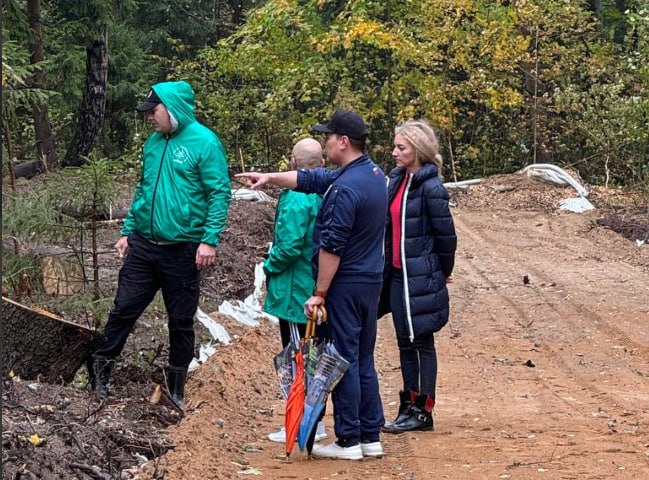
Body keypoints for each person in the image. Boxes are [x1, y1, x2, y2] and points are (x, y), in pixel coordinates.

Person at [238, 109, 387, 461]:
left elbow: (332, 247)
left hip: (346, 285)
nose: (325, 143)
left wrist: (319, 293)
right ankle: (370, 434)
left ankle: (348, 440)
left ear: (343, 142)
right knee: (363, 357)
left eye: (329, 137)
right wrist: (269, 178)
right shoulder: (372, 175)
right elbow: (310, 180)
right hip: (370, 280)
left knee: (342, 357)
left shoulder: (346, 188)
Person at [88, 81, 232, 407]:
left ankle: (176, 387)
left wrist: (209, 240)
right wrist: (127, 231)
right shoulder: (153, 143)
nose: (150, 118)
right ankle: (100, 371)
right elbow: (143, 189)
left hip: (183, 248)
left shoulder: (205, 143)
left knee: (180, 319)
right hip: (144, 246)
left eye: (154, 111)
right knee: (124, 308)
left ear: (172, 108)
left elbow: (219, 194)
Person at [380, 120, 457, 433]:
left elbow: (446, 238)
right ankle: (408, 406)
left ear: (418, 151)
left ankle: (424, 411)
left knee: (421, 341)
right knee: (403, 340)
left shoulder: (431, 188)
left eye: (401, 147)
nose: (395, 152)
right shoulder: (397, 181)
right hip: (397, 275)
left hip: (421, 277)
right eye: (396, 146)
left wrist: (442, 272)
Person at [264, 138, 328, 444]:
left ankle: (303, 419)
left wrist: (269, 265)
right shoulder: (323, 192)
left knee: (297, 356)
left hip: (293, 292)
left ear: (292, 162)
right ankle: (314, 418)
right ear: (322, 164)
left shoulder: (295, 197)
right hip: (313, 284)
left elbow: (288, 247)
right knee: (312, 352)